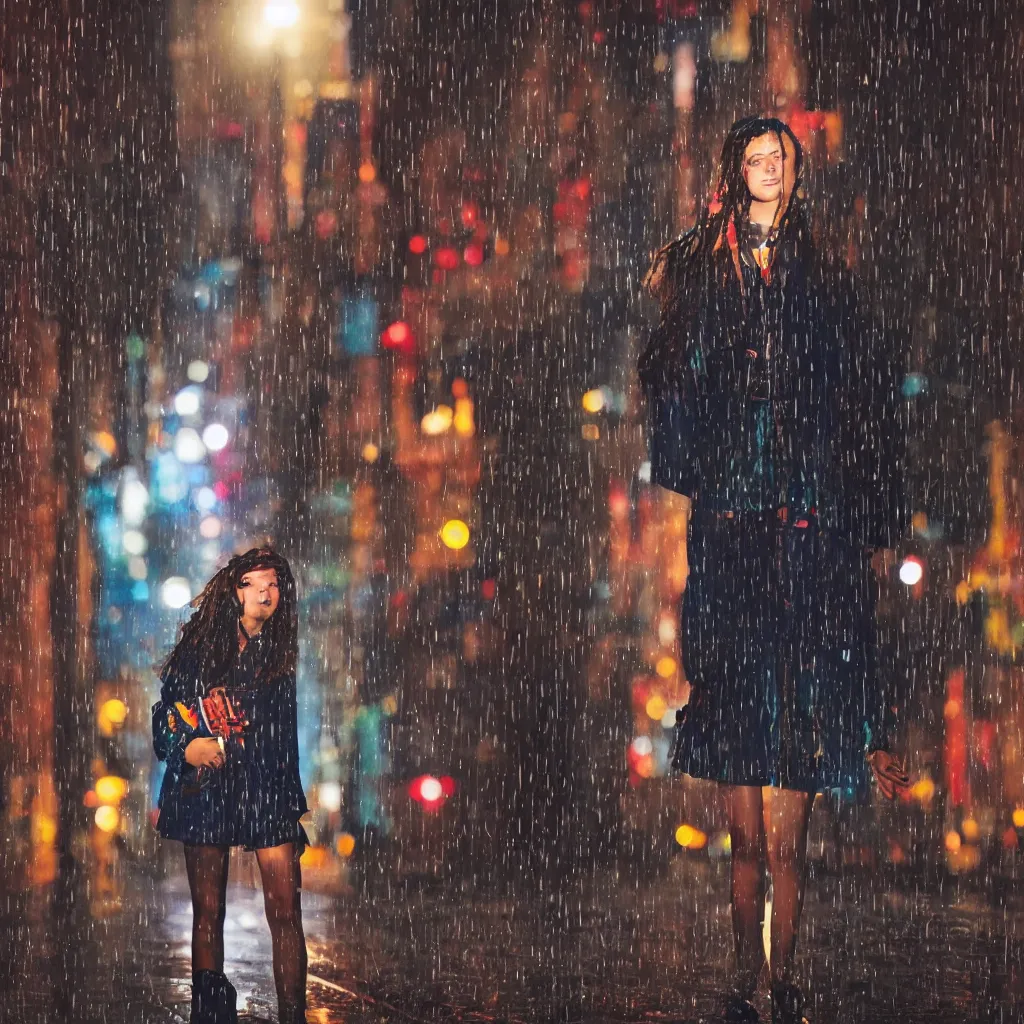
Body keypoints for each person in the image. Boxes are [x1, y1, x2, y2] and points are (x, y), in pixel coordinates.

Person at [639, 117, 910, 1024]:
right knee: (746, 841)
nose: (768, 172)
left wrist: (850, 483)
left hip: (800, 500)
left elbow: (852, 371)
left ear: (794, 177)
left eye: (780, 160)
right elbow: (680, 369)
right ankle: (743, 976)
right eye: (756, 159)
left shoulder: (817, 269)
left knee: (783, 841)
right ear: (737, 171)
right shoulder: (708, 264)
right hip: (737, 504)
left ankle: (781, 980)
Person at [152, 547, 309, 1024]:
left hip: (265, 786)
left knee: (285, 912)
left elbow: (285, 736)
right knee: (208, 911)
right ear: (233, 590)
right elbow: (164, 717)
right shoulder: (200, 648)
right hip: (209, 784)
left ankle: (293, 1016)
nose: (265, 590)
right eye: (252, 582)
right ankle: (210, 1012)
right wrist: (188, 747)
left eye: (273, 583)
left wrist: (289, 807)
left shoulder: (279, 653)